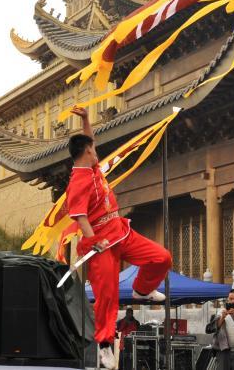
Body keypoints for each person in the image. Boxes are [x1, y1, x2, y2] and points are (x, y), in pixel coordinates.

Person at [64, 106, 172, 369]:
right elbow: (80, 217)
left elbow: (90, 140)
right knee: (107, 296)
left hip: (121, 232)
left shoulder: (92, 169)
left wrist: (87, 119)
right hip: (102, 245)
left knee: (162, 258)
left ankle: (142, 289)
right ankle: (103, 345)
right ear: (87, 152)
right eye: (93, 148)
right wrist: (94, 242)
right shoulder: (78, 182)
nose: (96, 150)